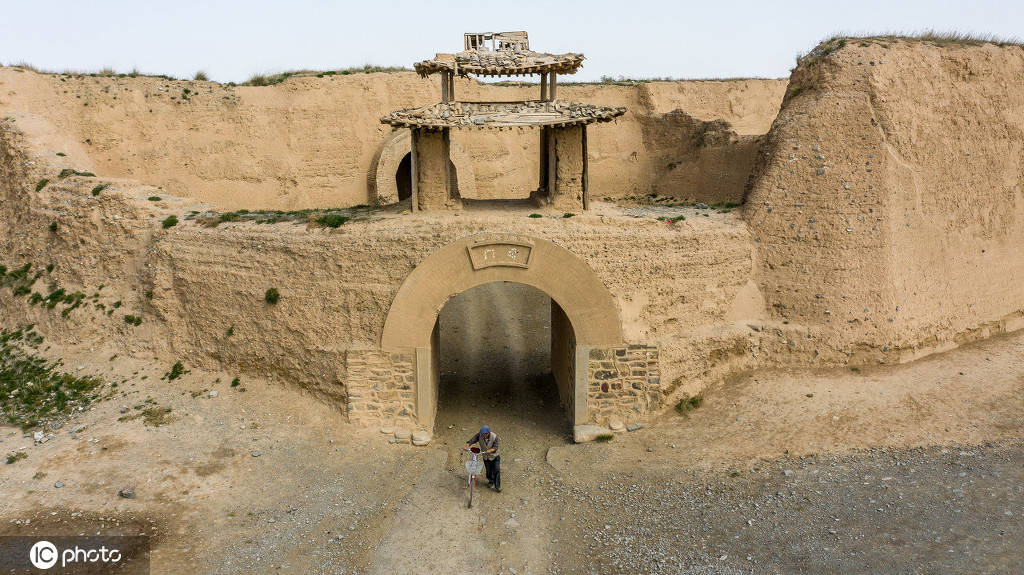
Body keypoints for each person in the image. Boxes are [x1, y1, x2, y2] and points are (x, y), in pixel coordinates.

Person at [464, 425, 501, 492]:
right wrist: (468, 444)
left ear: (488, 433)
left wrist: (490, 450)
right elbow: (473, 440)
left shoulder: (494, 436)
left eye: (484, 435)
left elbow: (495, 447)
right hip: (486, 457)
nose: (482, 436)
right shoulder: (480, 435)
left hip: (494, 456)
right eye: (481, 435)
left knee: (496, 470)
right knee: (488, 470)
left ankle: (497, 486)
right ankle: (491, 481)